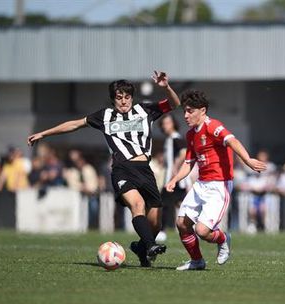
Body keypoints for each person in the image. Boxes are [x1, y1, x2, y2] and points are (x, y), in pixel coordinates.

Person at [27, 71, 180, 267]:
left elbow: (175, 104)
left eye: (127, 97)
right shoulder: (105, 116)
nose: (123, 101)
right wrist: (44, 133)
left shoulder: (145, 110)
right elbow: (74, 124)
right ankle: (150, 246)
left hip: (145, 170)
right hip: (122, 169)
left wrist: (166, 87)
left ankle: (142, 248)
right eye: (119, 98)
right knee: (137, 206)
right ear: (112, 99)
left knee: (156, 224)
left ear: (132, 98)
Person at [165, 90, 267, 271]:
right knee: (182, 223)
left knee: (202, 231)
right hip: (201, 184)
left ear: (202, 110)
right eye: (185, 111)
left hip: (219, 185)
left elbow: (232, 141)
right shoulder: (190, 135)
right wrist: (175, 179)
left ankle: (223, 238)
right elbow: (189, 163)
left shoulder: (213, 126)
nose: (186, 115)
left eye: (190, 111)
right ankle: (197, 261)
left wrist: (248, 160)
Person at [159, 114, 188, 235]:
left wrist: (175, 168)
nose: (165, 126)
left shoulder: (176, 138)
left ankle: (162, 231)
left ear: (174, 124)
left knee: (164, 203)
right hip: (173, 179)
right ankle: (192, 227)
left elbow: (184, 153)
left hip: (175, 179)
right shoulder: (169, 139)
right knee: (180, 204)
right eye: (164, 123)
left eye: (168, 123)